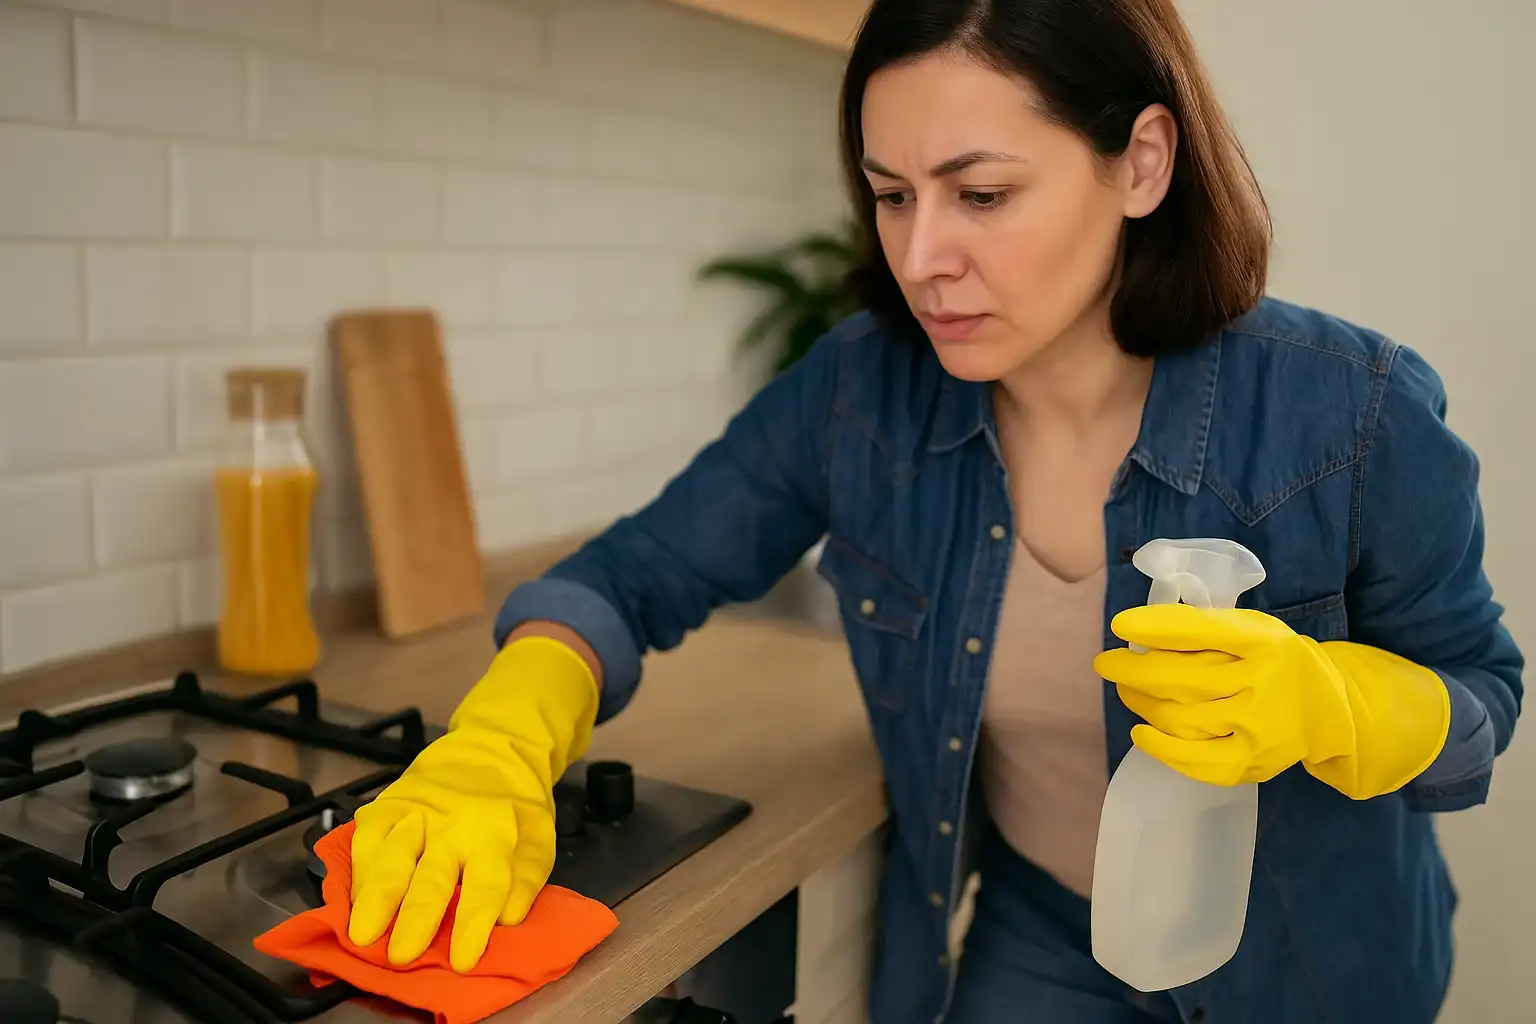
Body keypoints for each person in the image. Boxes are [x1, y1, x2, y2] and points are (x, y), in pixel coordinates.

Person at [341, 0, 1524, 1021]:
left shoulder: (1352, 412)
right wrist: (496, 741)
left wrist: (1337, 703)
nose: (920, 256)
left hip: (1316, 966)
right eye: (892, 196)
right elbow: (628, 575)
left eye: (983, 194)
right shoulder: (860, 393)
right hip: (1048, 935)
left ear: (1142, 162)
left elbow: (1482, 693)